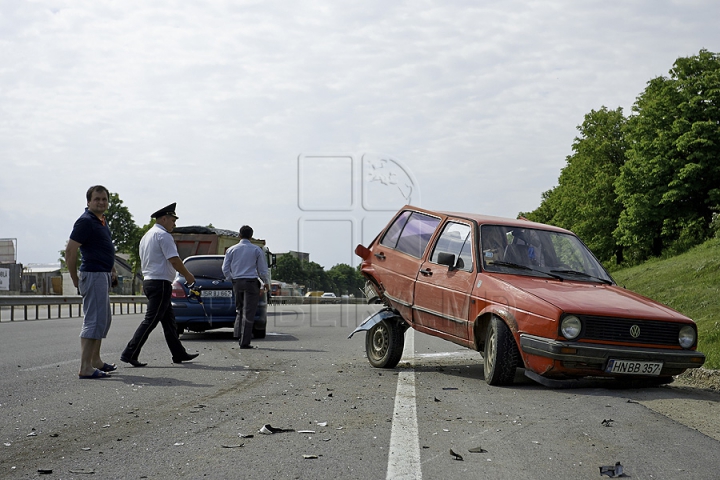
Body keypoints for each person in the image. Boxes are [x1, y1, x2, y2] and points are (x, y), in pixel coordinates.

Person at [120, 203, 199, 366]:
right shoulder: (163, 236)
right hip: (160, 283)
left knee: (169, 322)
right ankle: (130, 352)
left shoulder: (147, 236)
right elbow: (175, 260)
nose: (174, 224)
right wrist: (188, 275)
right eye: (173, 220)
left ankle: (179, 354)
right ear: (164, 218)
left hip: (150, 281)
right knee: (151, 320)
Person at [66, 185, 118, 379]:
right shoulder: (85, 222)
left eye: (104, 199)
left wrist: (111, 269)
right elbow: (71, 251)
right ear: (88, 202)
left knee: (103, 321)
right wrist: (74, 278)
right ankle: (85, 367)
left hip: (102, 274)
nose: (101, 202)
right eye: (97, 199)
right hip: (93, 275)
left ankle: (95, 361)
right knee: (94, 321)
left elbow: (104, 249)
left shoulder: (101, 221)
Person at [222, 225, 269, 349]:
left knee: (239, 309)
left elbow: (225, 268)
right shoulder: (256, 250)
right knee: (249, 312)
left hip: (237, 282)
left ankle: (238, 334)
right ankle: (245, 341)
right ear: (251, 236)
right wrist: (266, 282)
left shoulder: (231, 250)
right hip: (251, 283)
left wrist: (231, 279)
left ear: (239, 235)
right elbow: (262, 269)